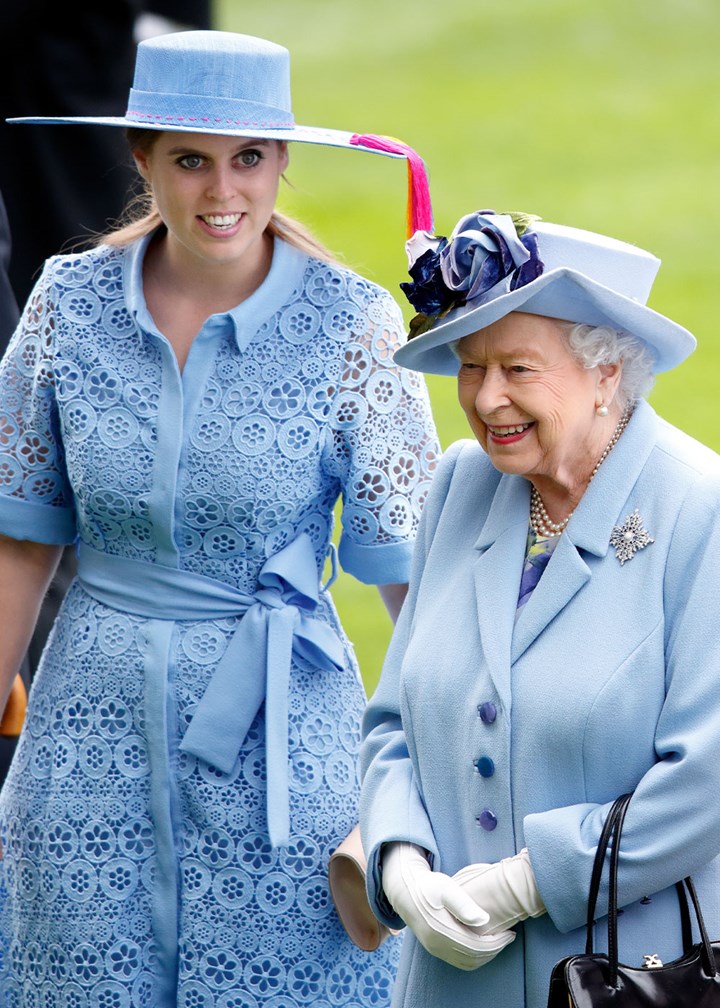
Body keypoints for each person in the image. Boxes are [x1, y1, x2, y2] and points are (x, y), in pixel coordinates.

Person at [0, 30, 440, 1005]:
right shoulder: (65, 307)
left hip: (288, 762)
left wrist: (439, 779)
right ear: (142, 158)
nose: (222, 190)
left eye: (248, 158)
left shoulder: (355, 325)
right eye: (191, 160)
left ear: (282, 160)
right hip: (82, 750)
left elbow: (416, 580)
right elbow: (23, 537)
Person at [360, 209, 720, 1008]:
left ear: (606, 373)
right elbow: (393, 724)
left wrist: (529, 882)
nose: (487, 399)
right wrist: (401, 863)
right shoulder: (462, 485)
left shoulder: (699, 509)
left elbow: (707, 777)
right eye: (470, 366)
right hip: (453, 978)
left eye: (519, 369)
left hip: (629, 977)